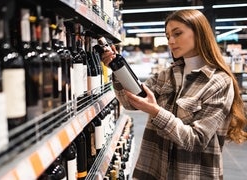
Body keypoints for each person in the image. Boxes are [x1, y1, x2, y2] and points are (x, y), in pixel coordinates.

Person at [101, 9, 247, 179]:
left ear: (199, 33)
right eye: (168, 36)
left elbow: (197, 140)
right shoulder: (167, 75)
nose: (171, 41)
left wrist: (156, 112)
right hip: (154, 170)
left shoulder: (219, 82)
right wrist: (118, 68)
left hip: (192, 174)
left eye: (177, 33)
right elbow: (130, 102)